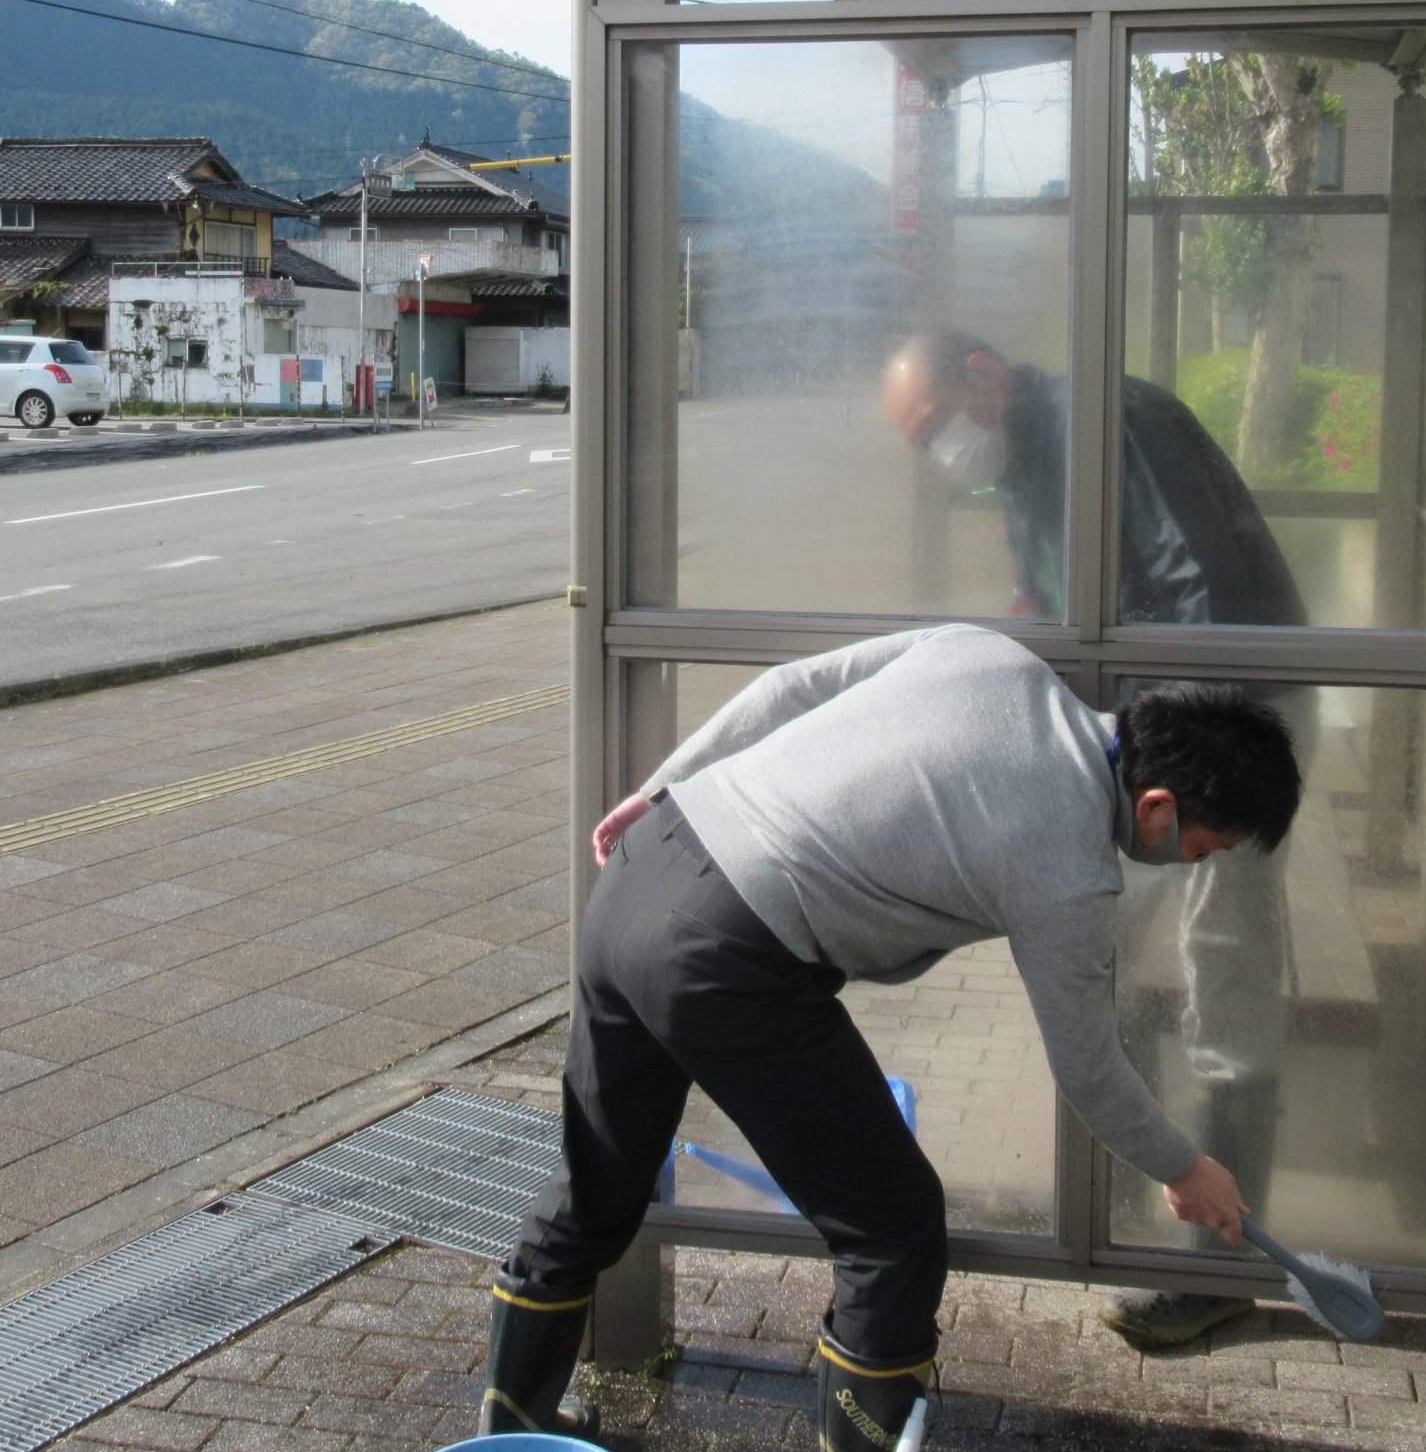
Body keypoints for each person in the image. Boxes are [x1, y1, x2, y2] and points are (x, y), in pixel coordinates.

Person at [478, 625, 1300, 1450]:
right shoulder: (1072, 868)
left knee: (599, 1178)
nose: (1193, 864)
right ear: (1157, 807)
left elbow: (790, 685)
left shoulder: (989, 655)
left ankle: (511, 1423)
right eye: (1203, 849)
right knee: (893, 1226)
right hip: (724, 956)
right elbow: (1088, 1066)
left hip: (644, 865)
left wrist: (661, 789)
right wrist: (1186, 1168)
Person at [881, 330, 1310, 1352]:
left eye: (936, 427)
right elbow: (1055, 601)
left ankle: (1220, 1261)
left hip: (1224, 737)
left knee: (1225, 975)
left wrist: (1172, 767)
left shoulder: (1109, 422)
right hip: (1148, 744)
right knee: (1101, 957)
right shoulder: (1029, 459)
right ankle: (1143, 1202)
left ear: (984, 372)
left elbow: (1198, 596)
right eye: (919, 444)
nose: (939, 455)